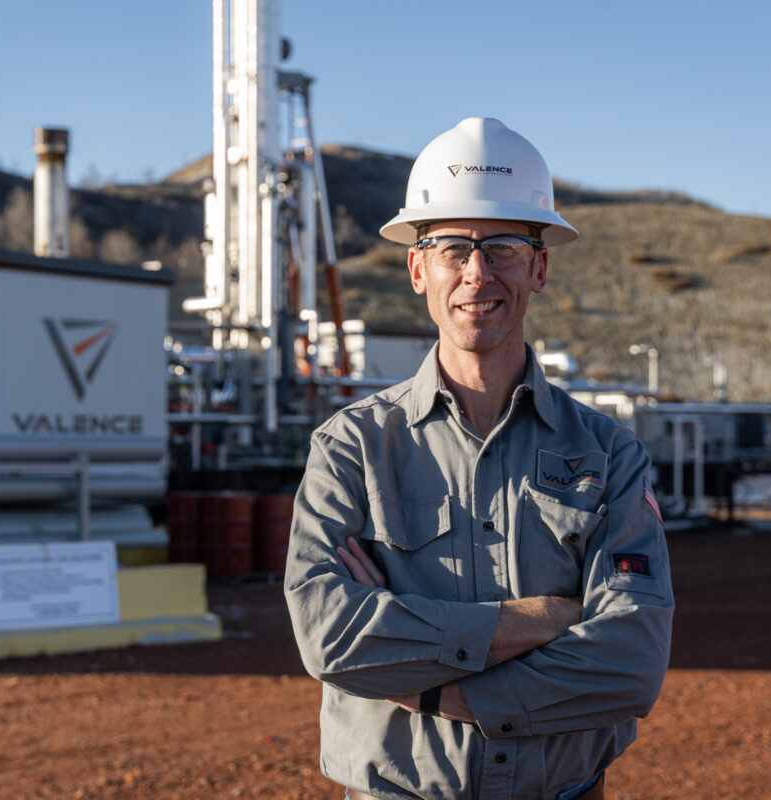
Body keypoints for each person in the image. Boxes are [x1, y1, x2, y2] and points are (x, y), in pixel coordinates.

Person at [283, 117, 674, 800]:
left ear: (540, 266)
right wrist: (540, 621)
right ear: (417, 268)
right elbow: (331, 638)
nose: (476, 273)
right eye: (451, 247)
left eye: (503, 247)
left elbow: (630, 664)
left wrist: (439, 693)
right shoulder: (352, 448)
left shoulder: (609, 455)